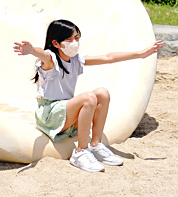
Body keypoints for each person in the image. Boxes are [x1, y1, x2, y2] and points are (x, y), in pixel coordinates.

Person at [13, 19, 162, 172]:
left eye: (76, 38)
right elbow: (43, 54)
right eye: (69, 39)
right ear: (56, 43)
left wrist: (141, 54)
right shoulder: (52, 60)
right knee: (89, 97)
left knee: (102, 93)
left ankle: (96, 145)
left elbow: (108, 57)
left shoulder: (75, 59)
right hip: (50, 115)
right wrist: (31, 50)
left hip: (65, 112)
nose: (74, 42)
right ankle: (80, 152)